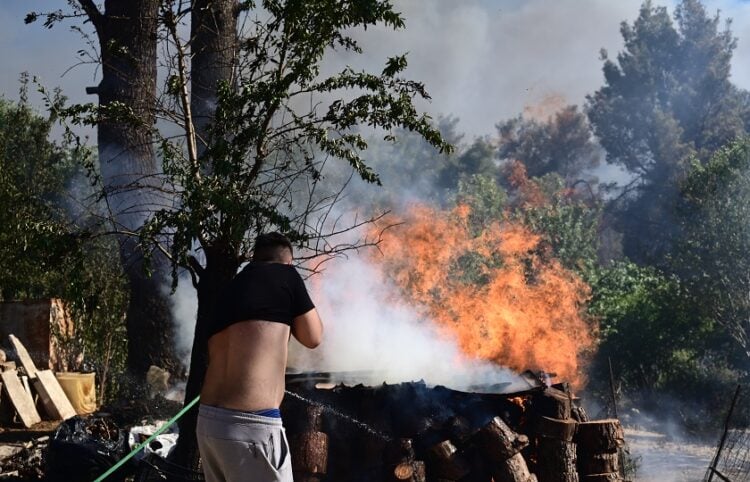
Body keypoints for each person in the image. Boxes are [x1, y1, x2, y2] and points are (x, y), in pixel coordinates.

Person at [197, 232, 323, 482]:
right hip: (252, 426)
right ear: (287, 261)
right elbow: (313, 337)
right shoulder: (287, 276)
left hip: (209, 424)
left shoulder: (229, 289)